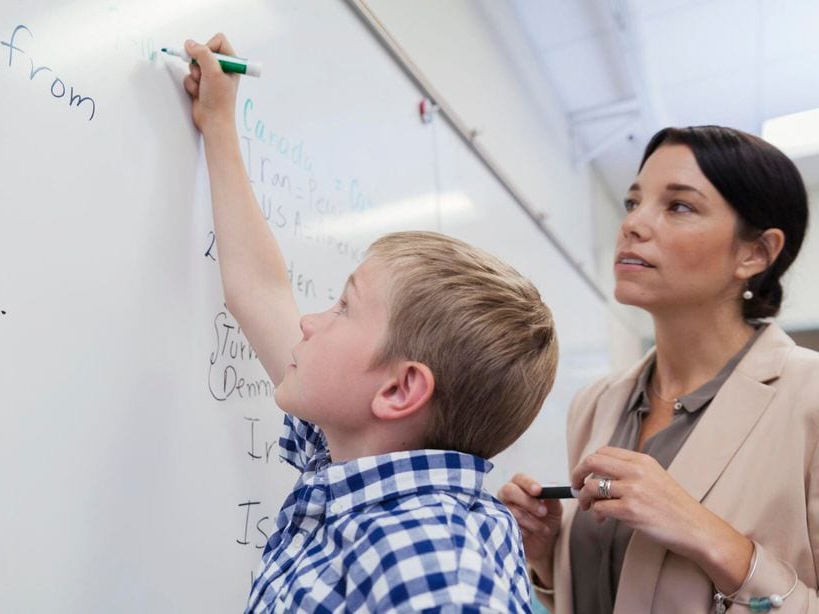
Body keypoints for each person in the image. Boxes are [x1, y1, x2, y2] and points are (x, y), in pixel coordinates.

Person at [179, 35, 559, 612]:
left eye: (344, 308)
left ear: (400, 390)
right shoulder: (356, 454)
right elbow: (259, 291)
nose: (309, 322)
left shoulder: (432, 561)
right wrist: (220, 124)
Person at [499, 125, 818, 613]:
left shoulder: (809, 396)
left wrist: (708, 535)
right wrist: (548, 560)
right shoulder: (595, 404)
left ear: (755, 253)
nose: (633, 224)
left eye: (679, 206)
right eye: (633, 203)